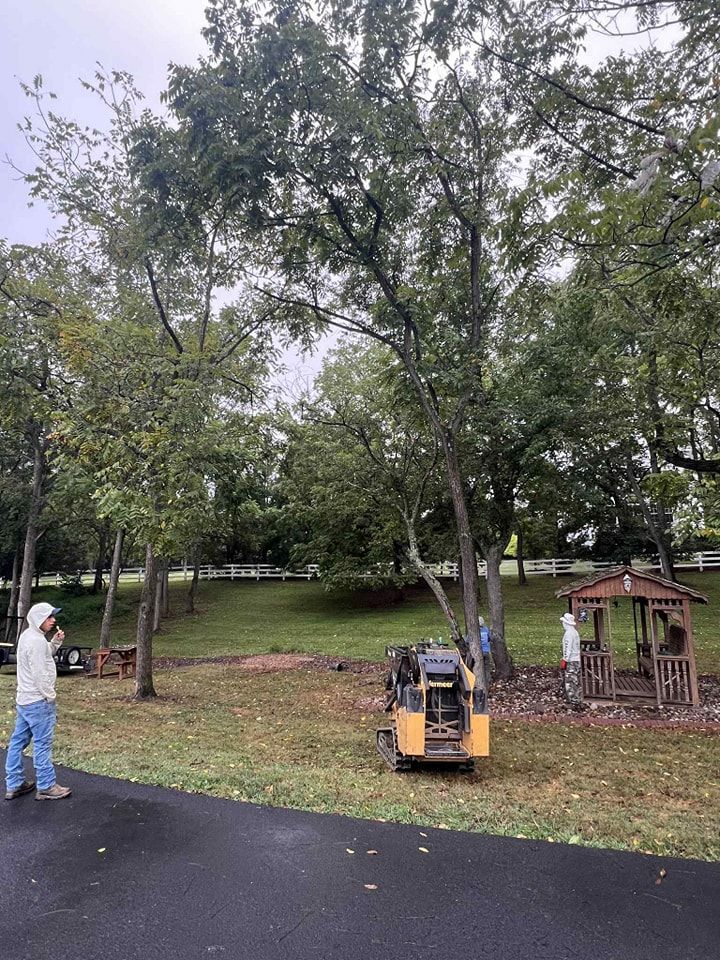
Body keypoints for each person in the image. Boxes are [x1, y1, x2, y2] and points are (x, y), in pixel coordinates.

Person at [4, 602, 72, 801]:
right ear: (38, 619)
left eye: (53, 617)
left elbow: (43, 655)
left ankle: (14, 784)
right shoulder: (35, 641)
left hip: (24, 700)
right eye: (49, 617)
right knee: (42, 744)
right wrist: (49, 696)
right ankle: (46, 786)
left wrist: (55, 643)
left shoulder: (30, 637)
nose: (53, 620)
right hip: (38, 701)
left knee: (17, 742)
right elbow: (39, 673)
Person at [560, 611, 583, 710]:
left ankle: (573, 702)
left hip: (571, 661)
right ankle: (578, 700)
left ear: (566, 623)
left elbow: (567, 648)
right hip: (577, 659)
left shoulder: (568, 634)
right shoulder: (575, 632)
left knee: (570, 682)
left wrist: (565, 660)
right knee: (576, 681)